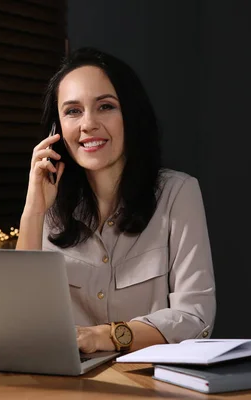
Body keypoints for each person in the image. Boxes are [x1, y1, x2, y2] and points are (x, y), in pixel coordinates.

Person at [16, 47, 216, 354]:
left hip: (150, 382)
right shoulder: (49, 204)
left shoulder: (178, 193)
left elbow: (195, 316)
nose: (88, 124)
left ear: (130, 115)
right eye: (72, 111)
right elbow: (21, 319)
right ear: (57, 129)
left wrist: (105, 336)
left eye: (105, 107)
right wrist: (33, 212)